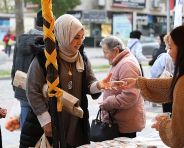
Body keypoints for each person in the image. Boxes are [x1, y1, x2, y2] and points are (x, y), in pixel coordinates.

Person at [20, 14, 118, 147]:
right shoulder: (45, 58)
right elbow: (33, 90)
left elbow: (89, 83)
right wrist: (45, 121)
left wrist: (99, 85)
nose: (80, 42)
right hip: (49, 122)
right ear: (63, 35)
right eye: (76, 37)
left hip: (75, 123)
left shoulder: (81, 58)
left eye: (82, 37)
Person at [99, 36, 145, 138]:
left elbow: (130, 96)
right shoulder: (120, 61)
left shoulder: (127, 64)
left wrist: (108, 102)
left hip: (125, 125)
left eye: (105, 52)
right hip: (120, 122)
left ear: (116, 50)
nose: (104, 56)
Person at [11, 10, 43, 129]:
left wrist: (15, 88)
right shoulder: (46, 42)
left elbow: (14, 67)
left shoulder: (20, 40)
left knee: (26, 132)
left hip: (21, 89)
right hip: (40, 95)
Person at [150, 34, 174, 113]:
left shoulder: (165, 57)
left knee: (168, 113)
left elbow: (154, 73)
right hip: (176, 92)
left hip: (166, 90)